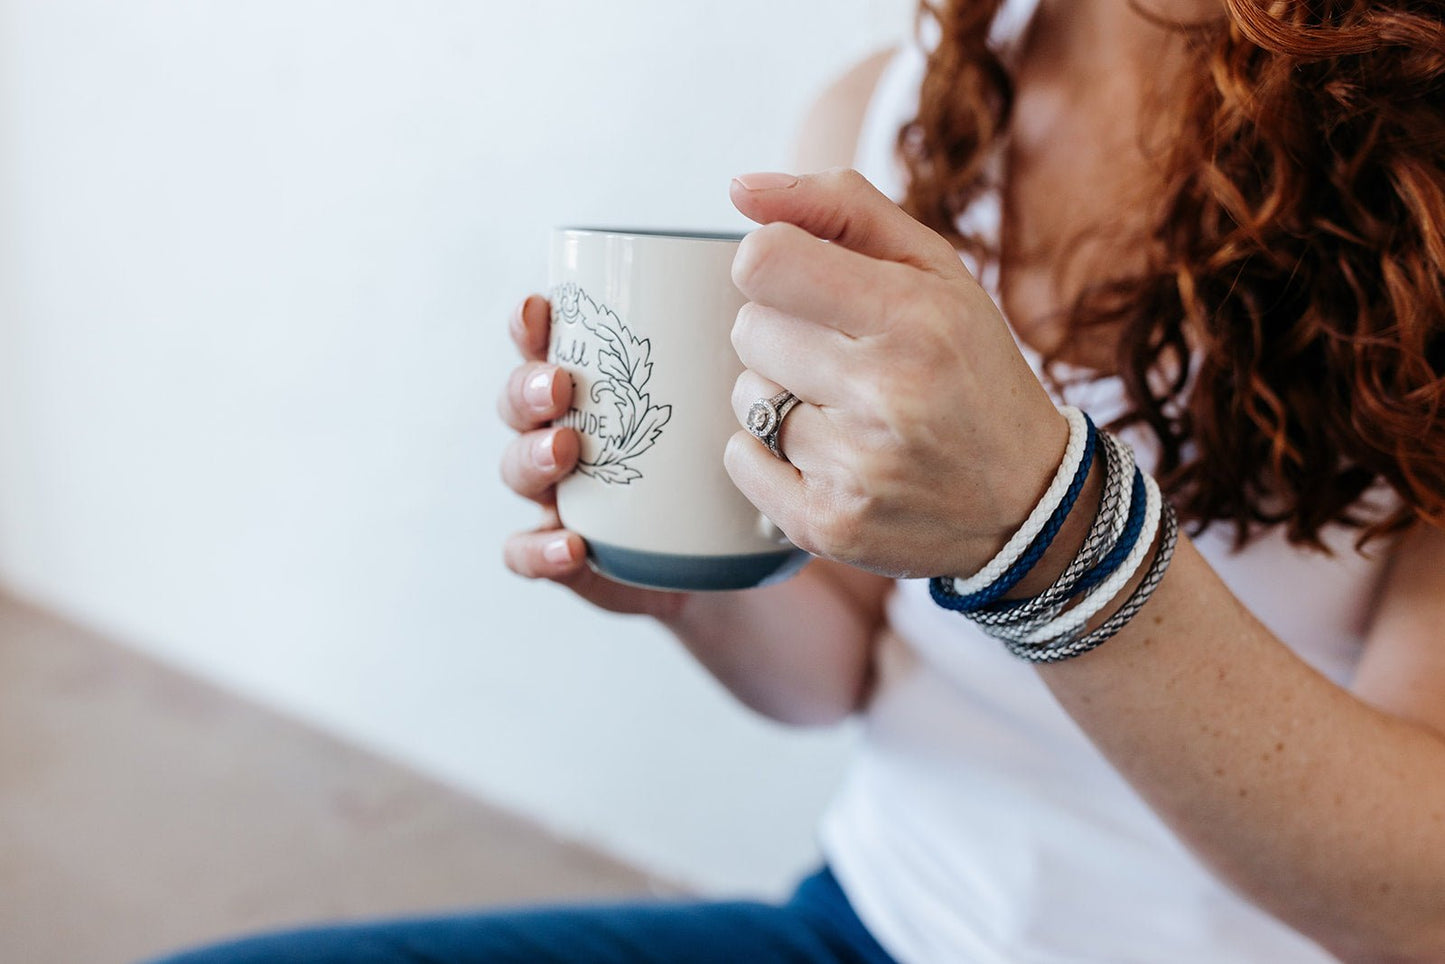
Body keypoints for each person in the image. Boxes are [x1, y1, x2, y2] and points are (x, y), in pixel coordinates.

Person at [153, 0, 1445, 960]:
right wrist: (685, 575)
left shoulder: (1420, 182)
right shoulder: (898, 107)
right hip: (880, 922)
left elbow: (1415, 902)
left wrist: (1048, 538)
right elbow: (829, 674)